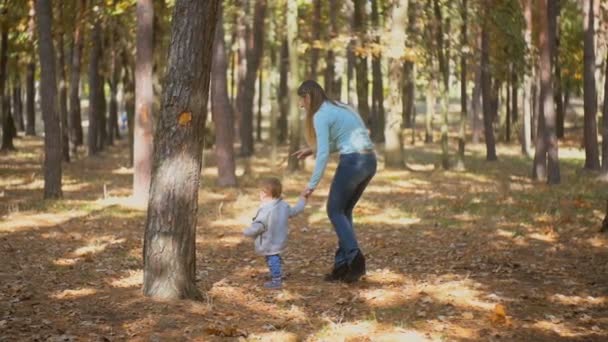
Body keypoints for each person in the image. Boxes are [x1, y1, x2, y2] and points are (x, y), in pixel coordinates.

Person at [293, 80, 376, 283]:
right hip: (369, 161)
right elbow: (343, 138)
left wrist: (311, 185)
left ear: (309, 96)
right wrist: (311, 149)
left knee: (334, 211)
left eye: (302, 100)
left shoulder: (321, 115)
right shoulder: (338, 106)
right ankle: (342, 266)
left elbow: (323, 155)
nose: (301, 105)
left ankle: (356, 262)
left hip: (353, 162)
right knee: (343, 212)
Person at [243, 177, 307, 289]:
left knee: (272, 259)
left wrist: (247, 232)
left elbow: (259, 226)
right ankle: (276, 273)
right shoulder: (284, 206)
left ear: (263, 194)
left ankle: (276, 279)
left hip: (269, 241)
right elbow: (295, 211)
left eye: (260, 192)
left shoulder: (266, 210)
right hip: (279, 240)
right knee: (274, 258)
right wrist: (302, 200)